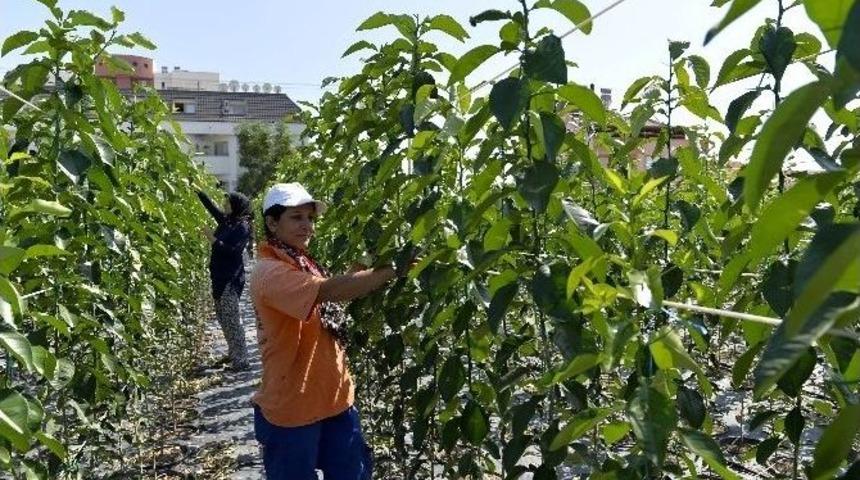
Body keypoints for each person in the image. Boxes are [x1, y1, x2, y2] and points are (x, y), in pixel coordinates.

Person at [250, 182, 409, 479]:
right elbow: (330, 292)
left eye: (310, 218)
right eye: (296, 218)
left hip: (334, 398)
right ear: (272, 223)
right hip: (293, 408)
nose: (307, 226)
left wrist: (365, 261)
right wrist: (393, 269)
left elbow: (332, 300)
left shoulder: (300, 261)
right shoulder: (269, 272)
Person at [197, 189, 253, 371]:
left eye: (228, 203)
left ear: (236, 206)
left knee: (232, 319)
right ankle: (233, 353)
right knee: (223, 318)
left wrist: (212, 239)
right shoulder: (227, 221)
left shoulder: (242, 226)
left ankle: (242, 360)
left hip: (231, 278)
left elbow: (233, 251)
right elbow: (211, 207)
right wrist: (199, 191)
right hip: (219, 277)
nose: (224, 205)